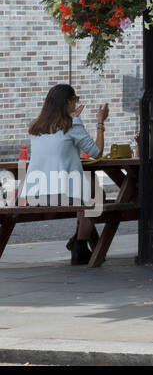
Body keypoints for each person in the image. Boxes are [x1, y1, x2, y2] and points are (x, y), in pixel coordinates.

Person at [22, 84, 107, 265]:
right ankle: (80, 245)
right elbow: (96, 151)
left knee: (86, 190)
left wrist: (73, 118)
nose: (76, 103)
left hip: (34, 194)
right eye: (75, 99)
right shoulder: (72, 124)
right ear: (68, 102)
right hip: (60, 194)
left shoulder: (36, 127)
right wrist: (101, 122)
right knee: (97, 192)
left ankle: (79, 239)